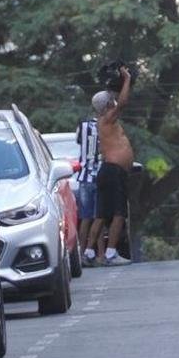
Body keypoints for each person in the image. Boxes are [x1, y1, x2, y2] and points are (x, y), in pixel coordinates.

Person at [84, 66, 134, 266]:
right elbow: (123, 103)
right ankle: (111, 254)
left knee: (102, 215)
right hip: (114, 172)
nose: (114, 101)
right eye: (111, 101)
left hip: (108, 171)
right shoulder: (107, 118)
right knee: (119, 213)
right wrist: (127, 79)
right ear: (106, 106)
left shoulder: (105, 121)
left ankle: (89, 252)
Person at [75, 114, 101, 266]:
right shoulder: (104, 125)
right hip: (99, 176)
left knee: (85, 218)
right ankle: (100, 254)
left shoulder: (83, 125)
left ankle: (81, 253)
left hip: (84, 176)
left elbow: (78, 141)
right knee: (100, 217)